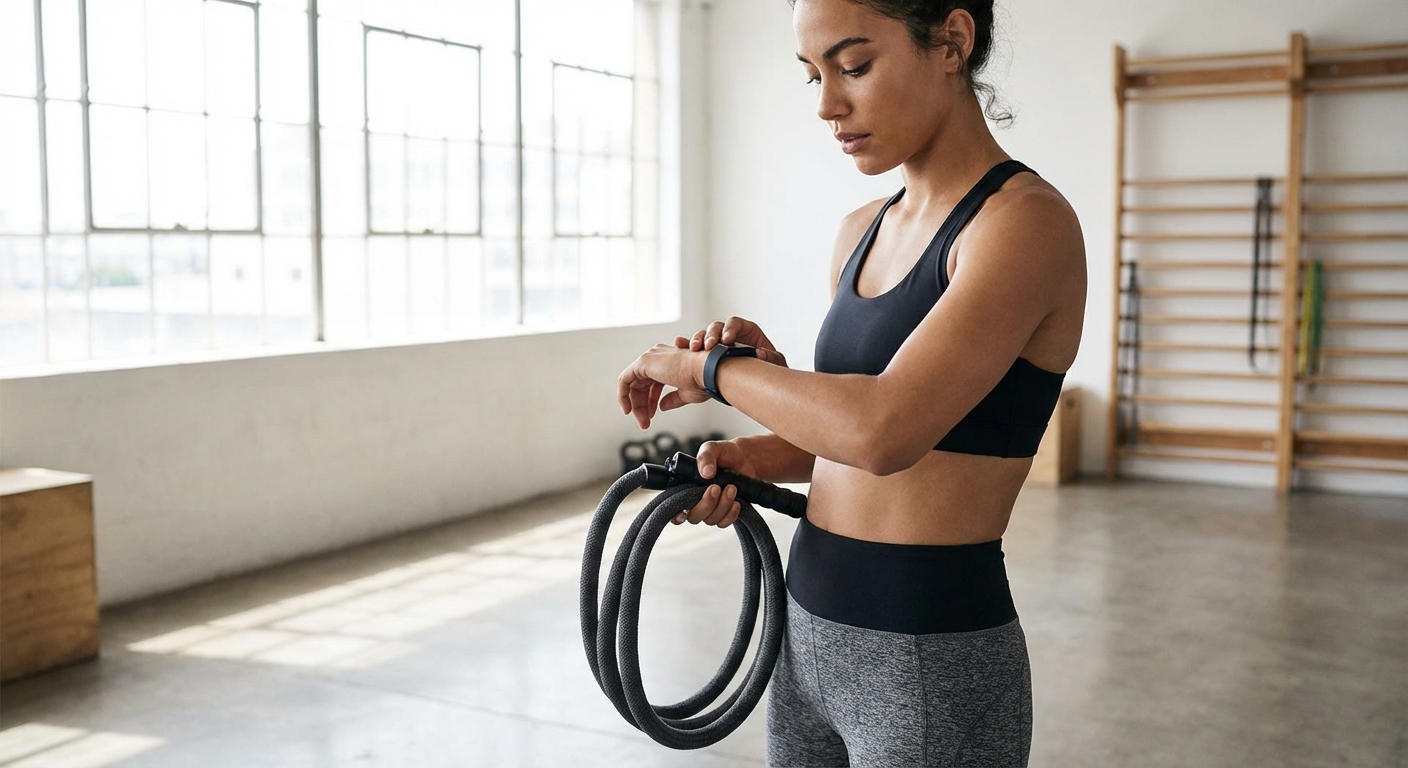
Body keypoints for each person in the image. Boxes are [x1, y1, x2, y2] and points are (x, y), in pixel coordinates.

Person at [616, 0, 1086, 764]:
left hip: (929, 656)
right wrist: (754, 456)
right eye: (813, 76)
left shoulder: (1024, 224)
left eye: (855, 66)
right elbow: (842, 440)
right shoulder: (862, 228)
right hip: (805, 637)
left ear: (952, 42)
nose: (830, 104)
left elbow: (882, 430)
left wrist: (713, 371)